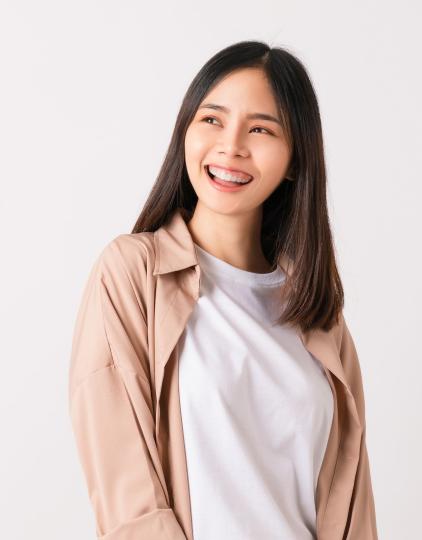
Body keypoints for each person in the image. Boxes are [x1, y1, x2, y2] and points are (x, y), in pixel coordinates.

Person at [68, 41, 379, 540]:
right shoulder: (132, 273)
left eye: (260, 129)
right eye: (211, 120)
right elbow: (126, 489)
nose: (231, 145)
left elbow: (353, 504)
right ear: (185, 134)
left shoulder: (319, 317)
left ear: (296, 159)